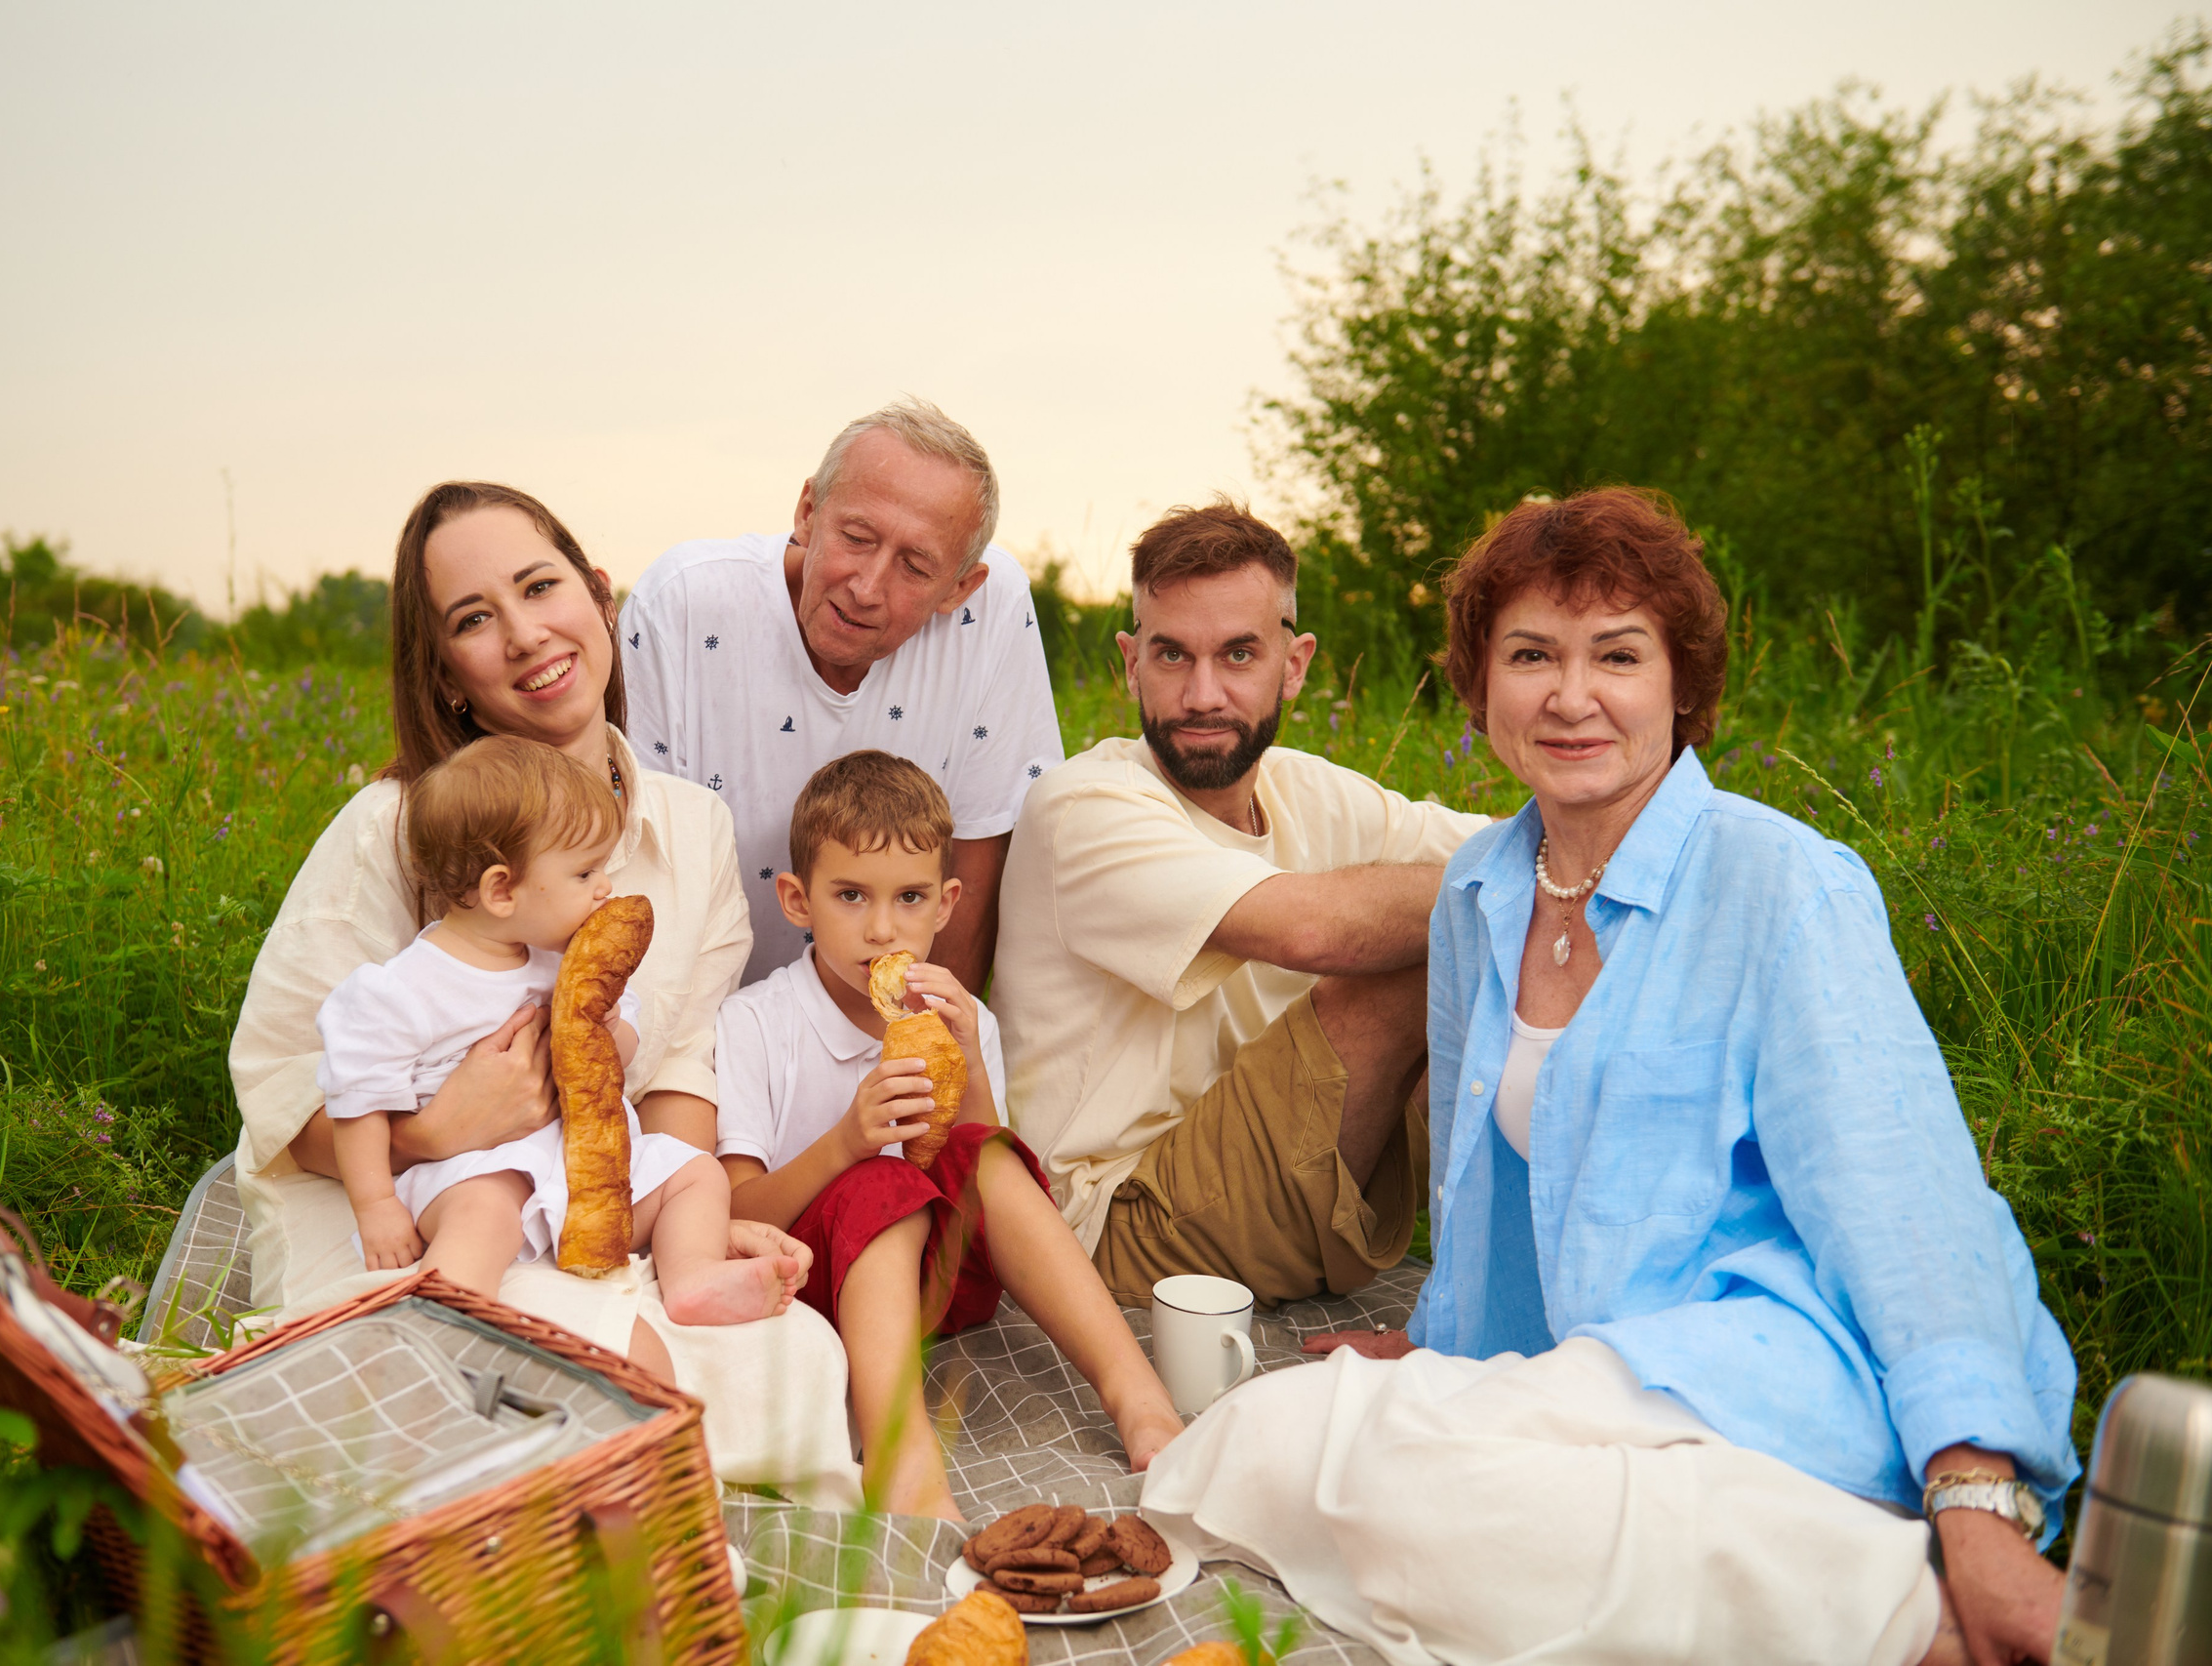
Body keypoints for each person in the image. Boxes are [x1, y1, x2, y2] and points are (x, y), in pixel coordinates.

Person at [1141, 488, 2078, 1666]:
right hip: (1595, 1386)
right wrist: (1439, 1358)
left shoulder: (1782, 883)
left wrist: (1976, 1496)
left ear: (1681, 686)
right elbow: (1485, 1204)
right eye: (1530, 654)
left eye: (1617, 656)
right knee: (1257, 1439)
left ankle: (1918, 1613)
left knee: (1352, 1473)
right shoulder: (1479, 894)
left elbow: (1909, 1208)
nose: (1570, 696)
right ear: (1481, 685)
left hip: (1773, 1366)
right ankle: (1795, 1580)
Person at [227, 480, 860, 1504]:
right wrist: (436, 1130)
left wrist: (682, 1220)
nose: (524, 635)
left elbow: (678, 1071)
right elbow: (282, 1093)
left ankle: (622, 1502)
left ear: (600, 597)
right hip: (418, 1220)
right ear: (447, 676)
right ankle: (607, 1542)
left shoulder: (691, 829)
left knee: (793, 1355)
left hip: (585, 1203)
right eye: (474, 619)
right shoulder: (394, 827)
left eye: (538, 587)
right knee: (599, 1369)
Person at [994, 502, 1489, 1306]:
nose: (1202, 694)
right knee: (1449, 936)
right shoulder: (1081, 805)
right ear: (1130, 663)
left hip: (1258, 1179)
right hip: (1113, 1223)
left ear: (1293, 665)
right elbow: (1311, 929)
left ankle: (1580, 1272)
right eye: (1171, 654)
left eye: (1238, 654)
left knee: (1527, 923)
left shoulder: (1305, 788)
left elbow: (1503, 845)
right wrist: (1531, 878)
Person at [714, 752, 1182, 1519]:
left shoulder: (963, 1019)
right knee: (882, 1180)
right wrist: (845, 1144)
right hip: (809, 1285)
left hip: (937, 1289)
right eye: (850, 895)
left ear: (946, 904)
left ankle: (1139, 1396)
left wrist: (969, 1065)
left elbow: (990, 1186)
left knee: (983, 1152)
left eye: (910, 897)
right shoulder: (756, 1023)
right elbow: (733, 1211)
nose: (881, 928)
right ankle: (900, 1457)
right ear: (798, 900)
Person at [317, 735, 800, 1322]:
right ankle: (441, 1322)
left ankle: (692, 1277)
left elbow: (623, 1055)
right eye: (584, 872)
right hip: (476, 1172)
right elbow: (358, 1101)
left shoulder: (565, 962)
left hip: (586, 1181)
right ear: (502, 890)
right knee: (483, 1214)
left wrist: (610, 1024)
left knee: (696, 1174)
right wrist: (376, 1205)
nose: (605, 887)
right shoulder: (402, 990)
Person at [620, 397, 1064, 992]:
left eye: (915, 567)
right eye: (856, 538)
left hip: (889, 1013)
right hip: (699, 1012)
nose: (867, 588)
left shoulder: (993, 606)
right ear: (808, 512)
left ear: (960, 587)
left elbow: (982, 845)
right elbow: (639, 857)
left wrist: (919, 1037)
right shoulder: (680, 603)